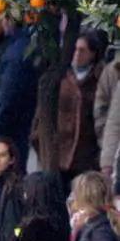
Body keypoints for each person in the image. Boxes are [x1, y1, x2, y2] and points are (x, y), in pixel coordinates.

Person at [34, 30, 104, 182]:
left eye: (82, 50)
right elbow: (42, 113)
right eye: (75, 49)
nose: (77, 54)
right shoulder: (60, 76)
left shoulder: (99, 79)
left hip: (85, 155)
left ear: (92, 54)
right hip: (57, 152)